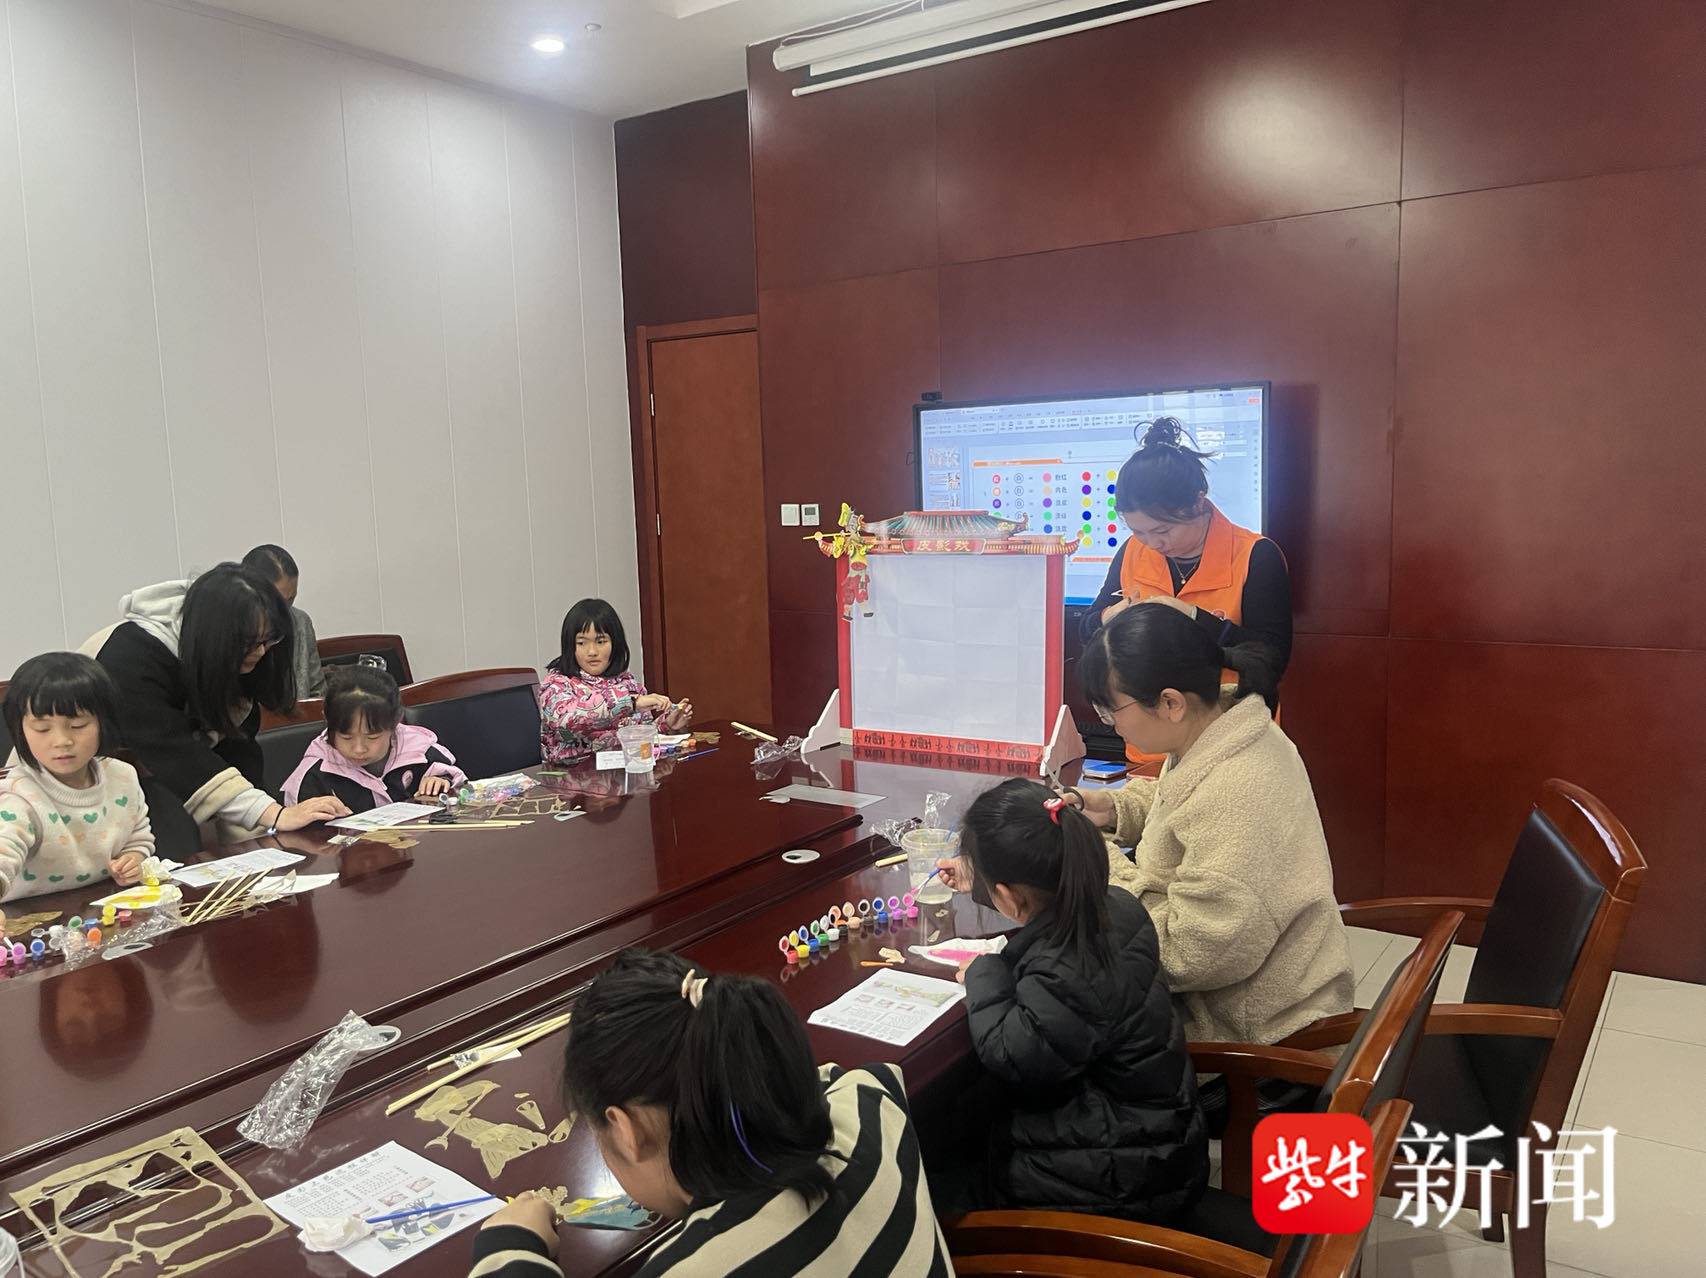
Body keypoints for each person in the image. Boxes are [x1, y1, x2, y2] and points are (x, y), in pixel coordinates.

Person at [467, 948, 952, 1277]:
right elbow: (823, 1076)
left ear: (625, 1129)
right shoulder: (871, 1103)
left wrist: (509, 1244)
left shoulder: (693, 1267)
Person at [1070, 603, 1352, 1050]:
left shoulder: (1239, 788)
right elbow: (1179, 804)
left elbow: (1188, 955)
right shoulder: (1220, 728)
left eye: (1112, 711)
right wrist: (1111, 809)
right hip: (1241, 991)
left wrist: (1093, 859)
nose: (1112, 725)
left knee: (1055, 1030)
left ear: (1170, 703)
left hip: (1249, 1036)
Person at [931, 777, 1206, 1220]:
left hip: (1110, 1185)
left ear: (1008, 895)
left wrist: (984, 972)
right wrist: (984, 878)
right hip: (1155, 1143)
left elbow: (1011, 1052)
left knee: (930, 1175)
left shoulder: (1065, 969)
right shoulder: (1116, 906)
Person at [87, 563, 349, 855]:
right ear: (215, 637)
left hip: (172, 764)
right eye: (250, 643)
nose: (261, 652)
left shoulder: (242, 655)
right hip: (108, 781)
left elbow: (237, 749)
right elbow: (178, 757)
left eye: (268, 640)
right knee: (176, 841)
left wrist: (267, 826)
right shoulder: (132, 660)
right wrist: (272, 814)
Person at [1080, 417, 1292, 767]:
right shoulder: (1134, 551)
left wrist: (1192, 618)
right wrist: (1108, 618)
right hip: (1149, 744)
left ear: (1198, 502)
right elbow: (1087, 627)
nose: (1153, 543)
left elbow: (1270, 660)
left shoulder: (1255, 555)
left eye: (1163, 530)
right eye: (1139, 531)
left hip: (1231, 744)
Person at [1, 653, 153, 905]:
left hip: (102, 905)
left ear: (103, 723)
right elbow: (4, 851)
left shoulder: (122, 776)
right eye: (42, 729)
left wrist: (134, 858)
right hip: (30, 915)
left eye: (78, 725)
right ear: (21, 731)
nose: (62, 741)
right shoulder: (20, 793)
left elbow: (138, 837)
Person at [283, 666, 465, 812]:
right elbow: (296, 829)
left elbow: (459, 781)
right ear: (329, 722)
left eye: (372, 737)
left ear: (395, 721)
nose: (359, 749)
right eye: (346, 737)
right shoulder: (315, 772)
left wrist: (442, 782)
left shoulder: (418, 750)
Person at [537, 599, 691, 764]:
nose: (592, 651)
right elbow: (564, 721)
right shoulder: (556, 683)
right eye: (581, 643)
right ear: (570, 646)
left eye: (601, 642)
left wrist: (665, 726)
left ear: (615, 644)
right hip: (571, 775)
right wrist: (630, 703)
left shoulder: (625, 682)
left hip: (621, 773)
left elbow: (635, 737)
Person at [242, 544, 326, 698]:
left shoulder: (300, 622)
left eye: (291, 600)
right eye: (278, 601)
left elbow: (317, 691)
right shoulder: (231, 629)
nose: (284, 611)